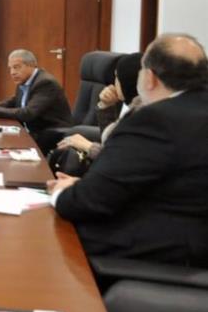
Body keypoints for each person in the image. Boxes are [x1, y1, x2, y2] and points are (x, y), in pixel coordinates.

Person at [48, 34, 208, 267]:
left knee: (46, 237)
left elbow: (87, 203)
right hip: (187, 243)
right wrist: (84, 186)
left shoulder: (155, 119)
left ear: (150, 78)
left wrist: (62, 192)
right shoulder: (192, 113)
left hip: (160, 254)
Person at [56, 52, 143, 162]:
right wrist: (107, 105)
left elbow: (120, 158)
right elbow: (110, 141)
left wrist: (88, 146)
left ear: (128, 80)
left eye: (117, 77)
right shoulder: (135, 107)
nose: (114, 83)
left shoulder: (142, 114)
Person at [0, 49, 73, 153]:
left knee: (3, 146)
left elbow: (28, 113)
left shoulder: (45, 83)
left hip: (50, 133)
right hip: (33, 131)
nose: (12, 72)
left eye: (16, 67)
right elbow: (13, 102)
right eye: (10, 68)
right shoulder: (24, 80)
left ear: (32, 65)